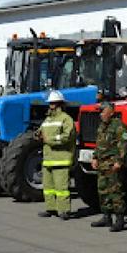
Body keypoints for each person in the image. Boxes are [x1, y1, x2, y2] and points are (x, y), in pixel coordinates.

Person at [90, 101, 127, 232]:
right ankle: (106, 217)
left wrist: (119, 161)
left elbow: (124, 144)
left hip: (113, 163)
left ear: (111, 112)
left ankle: (120, 219)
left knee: (115, 191)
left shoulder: (119, 126)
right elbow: (98, 144)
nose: (101, 114)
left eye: (103, 111)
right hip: (102, 164)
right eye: (100, 112)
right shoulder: (102, 126)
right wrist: (95, 157)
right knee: (102, 190)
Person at [37, 90, 77, 220]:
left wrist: (49, 140)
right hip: (48, 159)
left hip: (61, 160)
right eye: (50, 103)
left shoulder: (66, 119)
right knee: (48, 187)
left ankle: (64, 211)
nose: (51, 106)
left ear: (60, 104)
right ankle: (51, 208)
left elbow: (67, 137)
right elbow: (40, 131)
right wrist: (37, 135)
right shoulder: (48, 119)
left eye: (53, 103)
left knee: (61, 188)